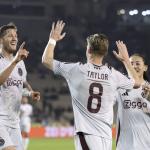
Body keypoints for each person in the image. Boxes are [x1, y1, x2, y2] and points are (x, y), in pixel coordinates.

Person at [42, 20, 141, 150]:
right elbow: (137, 82)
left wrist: (52, 40)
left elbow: (46, 60)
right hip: (106, 136)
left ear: (88, 49)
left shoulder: (76, 70)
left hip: (87, 134)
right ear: (105, 52)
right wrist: (126, 60)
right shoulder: (113, 75)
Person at [0, 23, 40, 150]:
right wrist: (15, 61)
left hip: (14, 122)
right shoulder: (13, 61)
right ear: (1, 40)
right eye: (9, 36)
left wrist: (29, 93)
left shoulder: (20, 64)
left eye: (15, 35)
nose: (14, 38)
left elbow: (16, 87)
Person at [115, 53, 150, 150]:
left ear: (145, 67)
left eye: (137, 64)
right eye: (131, 64)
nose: (134, 66)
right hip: (124, 145)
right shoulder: (120, 87)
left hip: (146, 144)